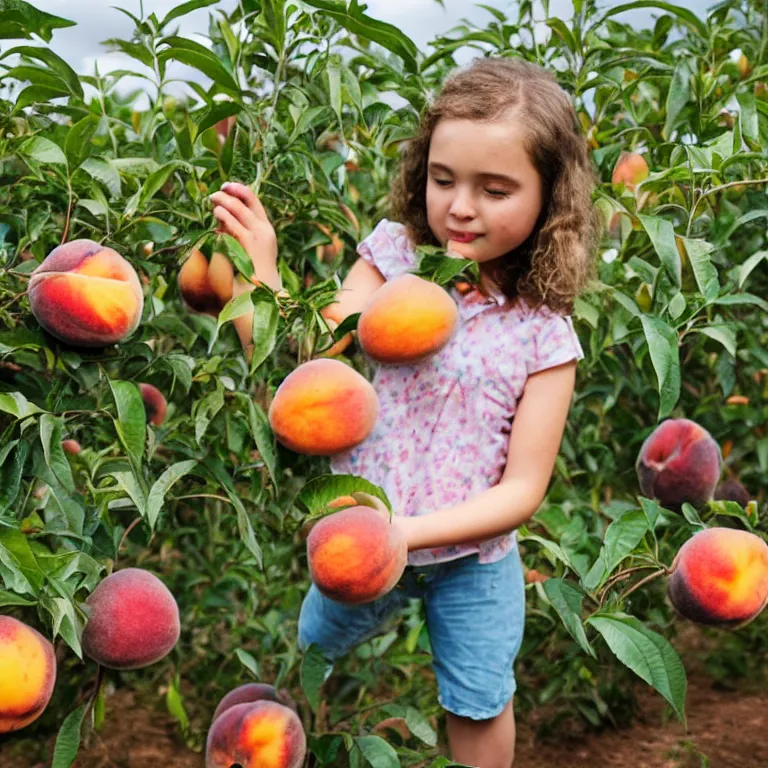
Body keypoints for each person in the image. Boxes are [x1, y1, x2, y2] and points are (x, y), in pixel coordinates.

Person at [209, 56, 601, 768]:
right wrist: (258, 269)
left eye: (496, 189)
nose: (459, 206)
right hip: (359, 535)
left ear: (549, 200)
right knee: (309, 665)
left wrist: (406, 533)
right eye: (443, 178)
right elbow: (308, 361)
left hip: (472, 560)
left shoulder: (545, 333)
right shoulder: (395, 258)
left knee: (480, 700)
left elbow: (523, 489)